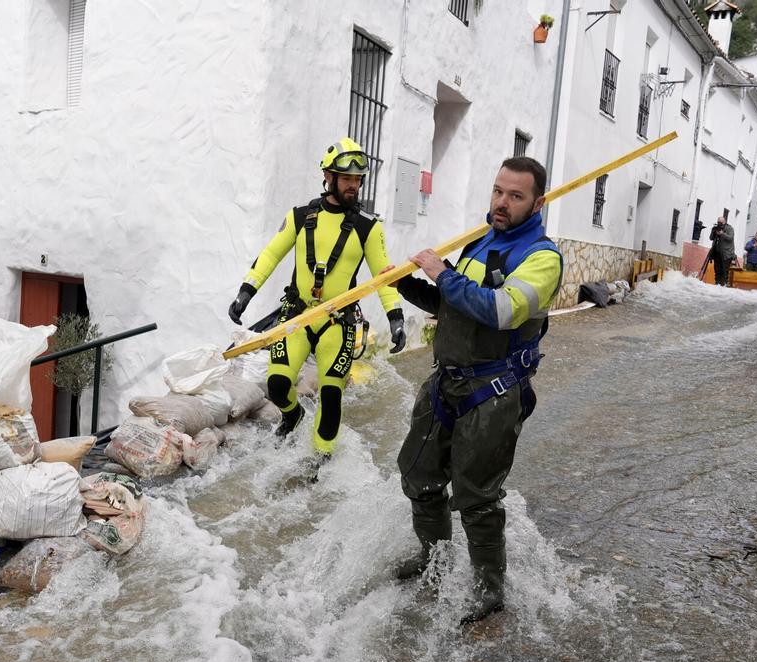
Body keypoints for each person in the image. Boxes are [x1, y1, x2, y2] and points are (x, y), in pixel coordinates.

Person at [390, 156, 563, 625]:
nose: (502, 203)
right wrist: (408, 284)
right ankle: (434, 560)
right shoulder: (480, 240)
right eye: (498, 191)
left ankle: (489, 588)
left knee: (477, 495)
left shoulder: (543, 258)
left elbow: (501, 311)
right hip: (446, 381)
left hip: (494, 391)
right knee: (418, 476)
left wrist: (443, 273)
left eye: (516, 195)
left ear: (537, 202)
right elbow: (454, 305)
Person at [226, 137, 405, 464]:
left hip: (339, 323)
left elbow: (385, 277)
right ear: (328, 176)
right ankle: (292, 416)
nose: (354, 185)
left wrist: (395, 317)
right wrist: (245, 292)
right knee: (277, 384)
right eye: (347, 178)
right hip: (295, 316)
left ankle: (320, 460)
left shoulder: (368, 228)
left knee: (332, 393)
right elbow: (269, 256)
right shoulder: (299, 216)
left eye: (358, 179)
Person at [707, 216, 735, 287]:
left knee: (724, 270)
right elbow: (711, 238)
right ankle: (717, 284)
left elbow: (730, 238)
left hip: (726, 253)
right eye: (718, 222)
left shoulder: (729, 228)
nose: (719, 224)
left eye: (721, 223)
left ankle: (724, 284)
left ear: (724, 222)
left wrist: (722, 234)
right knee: (717, 269)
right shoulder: (716, 228)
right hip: (717, 252)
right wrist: (714, 231)